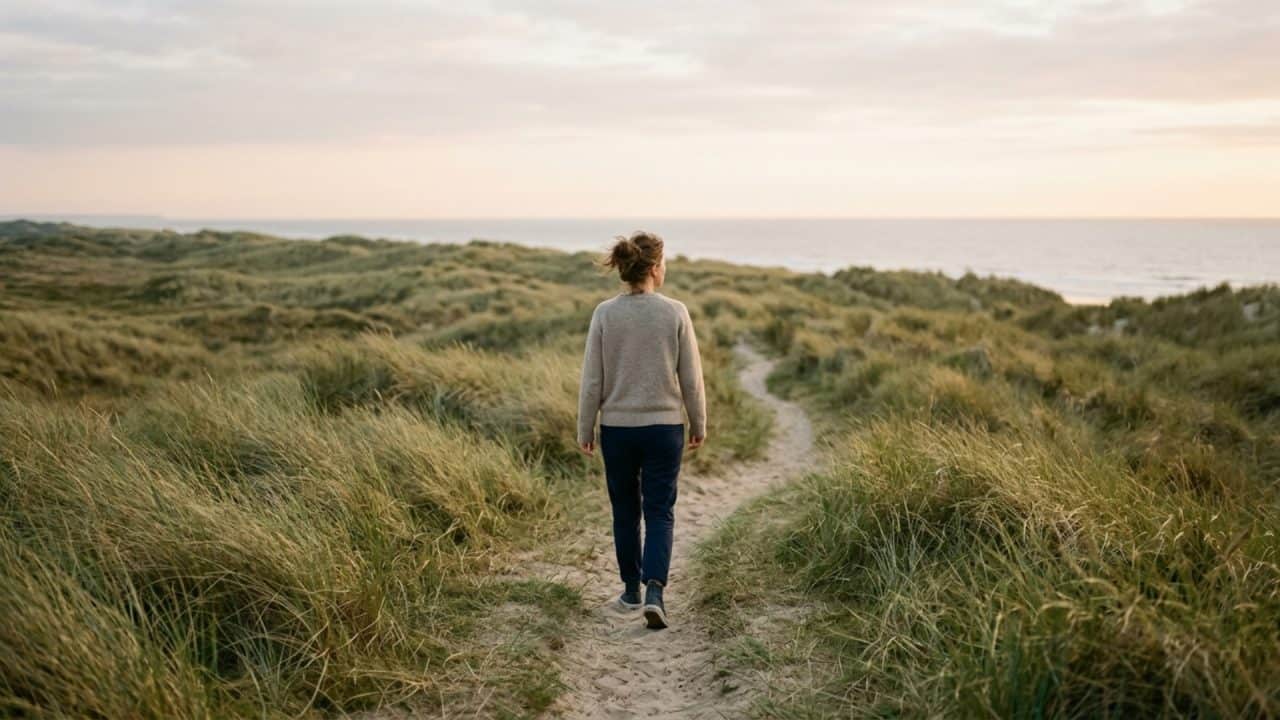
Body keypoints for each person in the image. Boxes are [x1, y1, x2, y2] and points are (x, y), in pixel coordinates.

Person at [576, 230, 707, 630]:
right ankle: (655, 591)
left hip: (617, 429)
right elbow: (692, 379)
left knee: (625, 509)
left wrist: (585, 427)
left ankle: (630, 589)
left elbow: (592, 381)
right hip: (665, 427)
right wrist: (698, 423)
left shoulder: (605, 313)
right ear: (653, 268)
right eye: (664, 263)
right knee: (660, 510)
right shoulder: (675, 312)